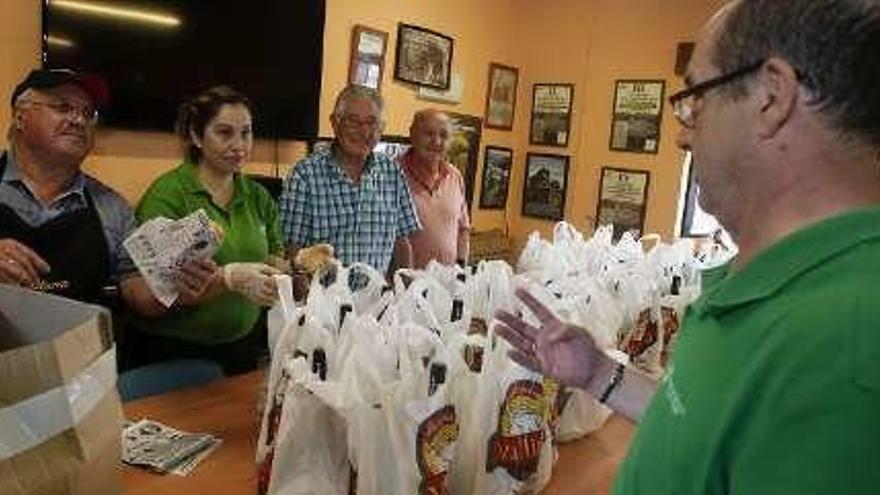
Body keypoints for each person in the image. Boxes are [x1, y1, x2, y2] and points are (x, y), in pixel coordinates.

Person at [495, 0, 880, 493]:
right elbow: (706, 423)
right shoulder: (770, 279)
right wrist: (600, 376)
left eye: (696, 96)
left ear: (771, 97)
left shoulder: (848, 346)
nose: (681, 133)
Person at [0, 68, 183, 323]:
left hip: (80, 356)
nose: (78, 120)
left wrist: (175, 282)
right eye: (62, 107)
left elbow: (138, 293)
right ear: (20, 117)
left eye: (88, 113)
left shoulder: (113, 209)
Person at [128, 86, 284, 375]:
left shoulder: (258, 197)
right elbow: (154, 295)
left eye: (246, 133)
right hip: (174, 352)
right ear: (197, 136)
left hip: (241, 348)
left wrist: (292, 272)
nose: (239, 145)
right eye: (225, 133)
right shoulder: (168, 195)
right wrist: (228, 278)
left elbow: (274, 258)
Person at [280, 85, 420, 279]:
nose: (363, 131)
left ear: (381, 129)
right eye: (353, 121)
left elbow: (401, 242)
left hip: (377, 302)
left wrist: (405, 291)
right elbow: (291, 249)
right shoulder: (304, 176)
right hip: (322, 303)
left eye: (372, 123)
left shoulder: (393, 173)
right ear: (334, 123)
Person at [399, 109, 470, 268]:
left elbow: (463, 229)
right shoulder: (392, 174)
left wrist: (460, 269)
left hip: (447, 285)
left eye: (443, 135)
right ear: (412, 134)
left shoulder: (455, 176)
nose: (437, 141)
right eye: (429, 133)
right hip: (405, 287)